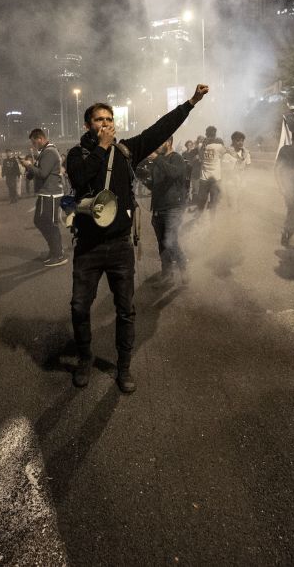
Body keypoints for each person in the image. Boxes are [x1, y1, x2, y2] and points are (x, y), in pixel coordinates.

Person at [66, 84, 209, 394]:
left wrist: (191, 103)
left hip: (119, 246)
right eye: (98, 120)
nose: (104, 124)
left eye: (108, 119)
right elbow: (80, 179)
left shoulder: (126, 151)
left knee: (125, 309)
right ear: (88, 125)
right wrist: (102, 148)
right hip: (88, 247)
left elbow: (161, 129)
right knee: (79, 307)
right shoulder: (78, 154)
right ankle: (85, 358)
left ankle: (124, 366)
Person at [143, 137, 189, 285]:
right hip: (158, 208)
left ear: (168, 142)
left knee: (171, 242)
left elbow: (173, 173)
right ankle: (167, 275)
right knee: (162, 243)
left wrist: (157, 159)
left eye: (160, 143)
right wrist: (144, 178)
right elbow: (156, 185)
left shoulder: (177, 158)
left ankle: (184, 269)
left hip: (173, 208)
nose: (156, 147)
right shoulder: (159, 161)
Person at [24, 129, 66, 267]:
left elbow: (42, 173)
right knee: (42, 221)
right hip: (47, 192)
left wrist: (29, 165)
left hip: (51, 193)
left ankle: (58, 254)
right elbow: (38, 172)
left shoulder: (49, 152)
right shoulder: (45, 152)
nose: (33, 145)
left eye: (34, 142)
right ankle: (55, 250)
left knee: (48, 223)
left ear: (40, 138)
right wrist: (30, 168)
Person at [195, 125, 225, 212]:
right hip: (215, 178)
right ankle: (212, 222)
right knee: (213, 202)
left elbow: (200, 157)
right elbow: (224, 155)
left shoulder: (200, 145)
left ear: (206, 134)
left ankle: (200, 220)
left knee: (202, 202)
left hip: (204, 178)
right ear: (215, 134)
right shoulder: (219, 146)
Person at [227, 131, 251, 211]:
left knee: (241, 200)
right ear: (233, 141)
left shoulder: (246, 153)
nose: (241, 143)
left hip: (242, 180)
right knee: (231, 202)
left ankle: (239, 218)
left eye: (242, 141)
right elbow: (224, 170)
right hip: (230, 181)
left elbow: (248, 166)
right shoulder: (227, 153)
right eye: (238, 140)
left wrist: (245, 178)